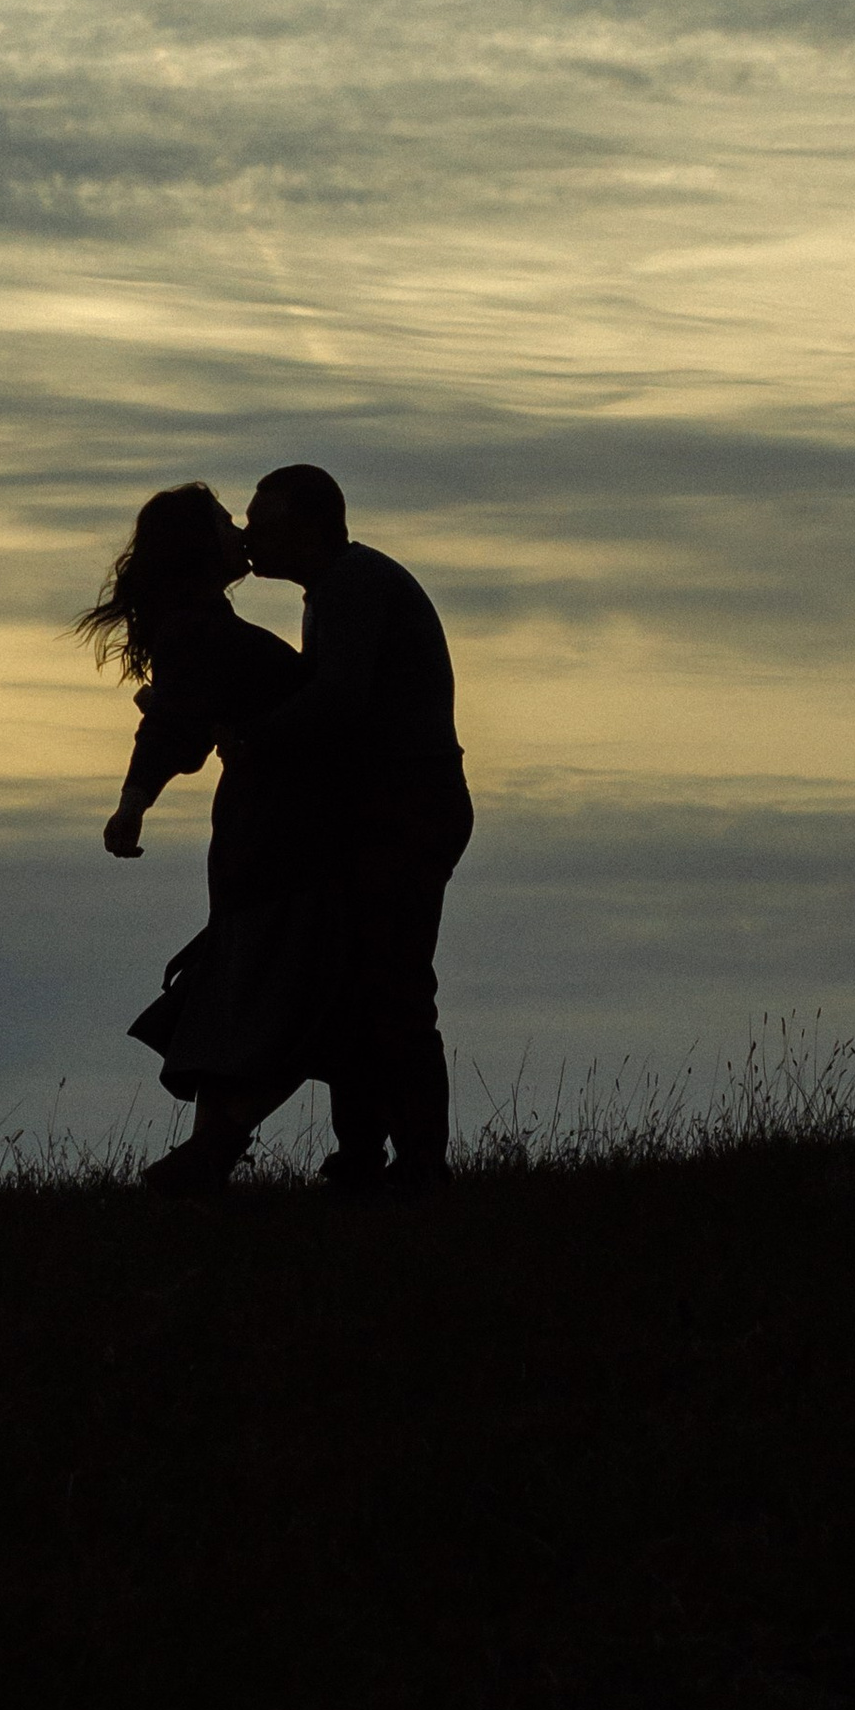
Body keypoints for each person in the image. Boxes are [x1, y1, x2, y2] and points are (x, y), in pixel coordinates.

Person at [78, 481, 336, 1196]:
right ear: (199, 544)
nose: (241, 530)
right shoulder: (195, 628)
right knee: (286, 988)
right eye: (227, 521)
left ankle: (206, 1160)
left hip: (275, 826)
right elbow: (176, 730)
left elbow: (184, 712)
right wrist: (132, 803)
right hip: (277, 830)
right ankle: (208, 1155)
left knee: (263, 986)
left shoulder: (201, 626)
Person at [232, 461, 473, 1197]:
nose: (248, 538)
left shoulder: (350, 587)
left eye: (263, 524)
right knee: (363, 984)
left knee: (392, 985)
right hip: (393, 802)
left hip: (407, 804)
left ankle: (418, 1163)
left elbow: (338, 700)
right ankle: (370, 1155)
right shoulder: (337, 588)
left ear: (307, 526)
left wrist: (256, 739)